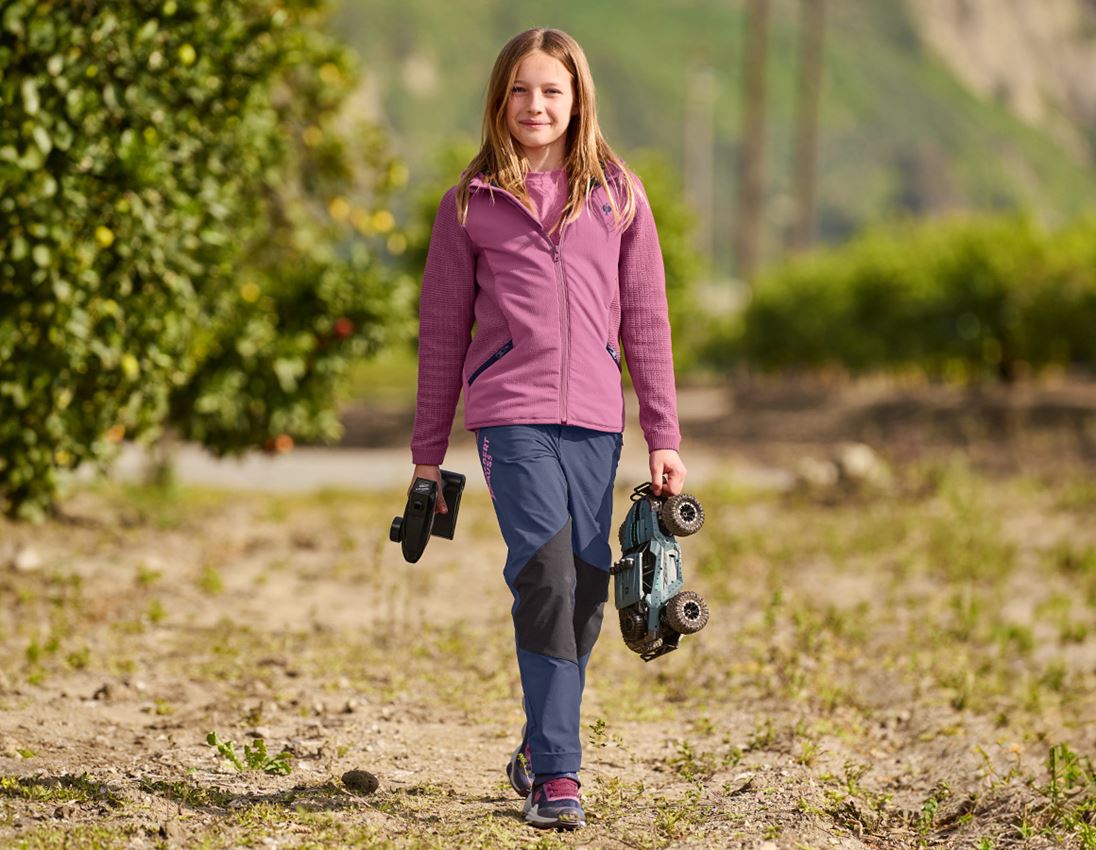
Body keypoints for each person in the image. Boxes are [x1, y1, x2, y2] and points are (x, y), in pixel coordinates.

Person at [407, 27, 686, 830]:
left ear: (577, 99)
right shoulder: (469, 204)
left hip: (596, 417)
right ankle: (558, 775)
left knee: (591, 586)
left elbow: (646, 320)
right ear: (500, 100)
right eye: (520, 91)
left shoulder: (620, 196)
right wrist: (427, 457)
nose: (535, 105)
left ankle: (537, 742)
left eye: (551, 91)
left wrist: (664, 434)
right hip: (510, 413)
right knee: (546, 578)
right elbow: (441, 334)